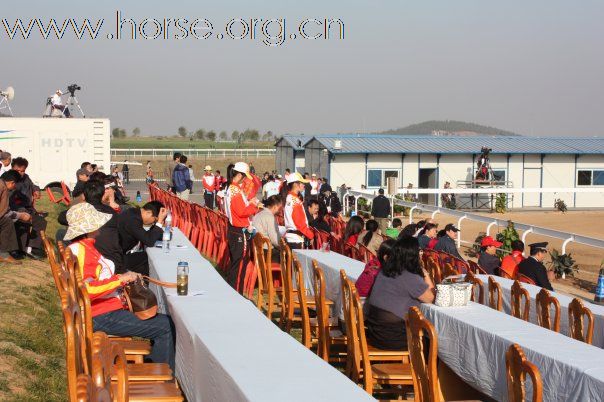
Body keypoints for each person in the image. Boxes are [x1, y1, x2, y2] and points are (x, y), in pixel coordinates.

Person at [64, 202, 175, 369]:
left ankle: (154, 364)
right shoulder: (84, 252)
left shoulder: (81, 248)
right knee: (166, 326)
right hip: (100, 315)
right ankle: (160, 375)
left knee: (157, 318)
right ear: (91, 227)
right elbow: (87, 289)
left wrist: (122, 277)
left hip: (101, 310)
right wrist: (120, 280)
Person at [364, 236, 435, 350]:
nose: (421, 254)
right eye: (419, 251)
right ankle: (427, 367)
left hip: (374, 332)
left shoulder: (385, 271)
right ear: (413, 256)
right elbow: (430, 298)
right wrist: (424, 272)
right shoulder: (409, 277)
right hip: (392, 338)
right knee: (431, 341)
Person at [224, 162, 259, 293]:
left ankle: (233, 290)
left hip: (234, 229)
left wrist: (249, 204)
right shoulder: (235, 190)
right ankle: (235, 291)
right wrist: (253, 206)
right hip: (238, 231)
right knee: (238, 264)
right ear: (239, 175)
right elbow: (241, 212)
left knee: (235, 264)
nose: (245, 181)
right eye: (244, 178)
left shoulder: (231, 189)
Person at [10, 157, 47, 258]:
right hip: (15, 209)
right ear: (12, 168)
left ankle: (34, 247)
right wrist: (22, 212)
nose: (20, 173)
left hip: (28, 207)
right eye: (18, 170)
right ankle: (19, 249)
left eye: (23, 171)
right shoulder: (9, 180)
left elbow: (33, 185)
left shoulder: (26, 177)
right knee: (25, 221)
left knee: (41, 221)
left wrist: (36, 190)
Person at [117, 201, 167, 276]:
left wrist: (160, 228)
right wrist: (159, 222)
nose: (153, 223)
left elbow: (147, 235)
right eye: (155, 220)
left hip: (118, 255)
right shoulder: (132, 220)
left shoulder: (133, 213)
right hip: (115, 259)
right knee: (149, 258)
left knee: (144, 257)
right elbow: (149, 241)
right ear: (148, 213)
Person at [0, 170, 26, 264]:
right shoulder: (1, 186)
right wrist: (20, 216)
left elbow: (4, 211)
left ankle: (4, 253)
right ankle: (3, 254)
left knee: (6, 221)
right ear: (12, 182)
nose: (14, 187)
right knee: (7, 222)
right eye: (15, 184)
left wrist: (18, 215)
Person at [284, 172, 314, 249]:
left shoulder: (290, 197)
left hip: (291, 237)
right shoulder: (295, 201)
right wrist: (311, 235)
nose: (304, 185)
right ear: (295, 184)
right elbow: (299, 222)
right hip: (296, 239)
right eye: (302, 183)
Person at [252, 195, 282, 262]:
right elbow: (275, 240)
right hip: (266, 252)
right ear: (275, 207)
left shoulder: (258, 214)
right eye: (279, 208)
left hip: (257, 250)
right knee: (289, 256)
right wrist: (283, 247)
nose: (280, 211)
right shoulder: (269, 217)